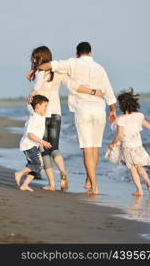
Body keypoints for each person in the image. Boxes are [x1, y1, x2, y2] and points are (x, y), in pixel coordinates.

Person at [38, 42, 117, 195]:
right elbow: (108, 90)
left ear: (77, 53)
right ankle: (89, 179)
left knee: (87, 149)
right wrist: (112, 110)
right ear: (90, 52)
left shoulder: (72, 63)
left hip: (83, 110)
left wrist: (34, 69)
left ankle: (94, 186)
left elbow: (47, 66)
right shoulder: (100, 68)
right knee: (95, 148)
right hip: (99, 110)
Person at [106, 88, 150, 196]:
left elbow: (119, 135)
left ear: (121, 105)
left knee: (133, 169)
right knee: (140, 166)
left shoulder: (121, 119)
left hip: (128, 148)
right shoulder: (139, 116)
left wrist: (112, 143)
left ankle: (140, 191)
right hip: (138, 147)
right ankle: (148, 182)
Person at [15, 95, 52, 192]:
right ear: (37, 106)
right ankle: (19, 174)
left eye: (47, 106)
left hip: (33, 145)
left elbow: (30, 105)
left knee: (37, 167)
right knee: (36, 165)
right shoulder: (34, 118)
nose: (46, 108)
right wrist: (42, 142)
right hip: (28, 145)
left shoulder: (40, 116)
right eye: (45, 106)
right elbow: (30, 134)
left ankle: (25, 185)